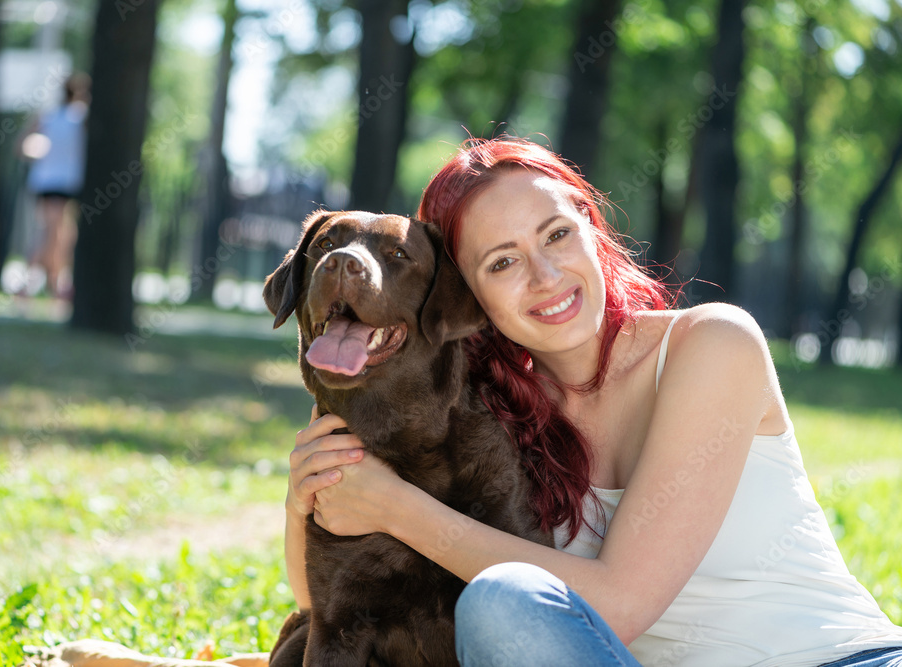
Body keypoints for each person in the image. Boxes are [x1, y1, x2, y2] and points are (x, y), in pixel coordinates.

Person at [285, 137, 902, 666]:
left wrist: (395, 508)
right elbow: (328, 605)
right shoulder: (499, 420)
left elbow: (620, 603)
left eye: (556, 234)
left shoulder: (712, 343)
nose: (546, 275)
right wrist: (308, 490)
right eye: (503, 263)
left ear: (591, 226)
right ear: (464, 301)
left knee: (504, 604)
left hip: (840, 659)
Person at [19, 72, 90, 299]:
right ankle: (32, 284)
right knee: (55, 234)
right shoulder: (81, 118)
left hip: (45, 181)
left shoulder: (48, 116)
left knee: (62, 233)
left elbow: (22, 146)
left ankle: (54, 283)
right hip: (65, 182)